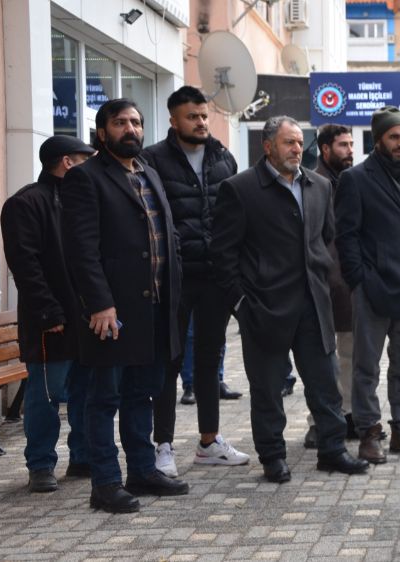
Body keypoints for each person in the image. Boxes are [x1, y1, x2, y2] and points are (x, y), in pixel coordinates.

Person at [211, 115, 369, 482]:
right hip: (264, 308)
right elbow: (223, 255)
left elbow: (324, 237)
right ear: (268, 147)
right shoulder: (240, 188)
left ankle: (332, 451)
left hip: (315, 305)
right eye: (288, 143)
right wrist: (242, 305)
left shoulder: (319, 186)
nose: (297, 149)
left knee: (326, 385)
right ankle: (273, 458)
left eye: (300, 143)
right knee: (267, 390)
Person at [61, 98, 189, 512]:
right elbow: (81, 249)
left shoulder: (149, 172)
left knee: (142, 395)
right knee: (104, 399)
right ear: (102, 132)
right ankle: (105, 484)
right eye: (120, 123)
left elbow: (167, 237)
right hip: (112, 313)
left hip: (152, 309)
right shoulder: (86, 178)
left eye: (136, 122)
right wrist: (99, 304)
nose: (130, 129)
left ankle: (141, 471)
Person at [141, 86, 249, 477]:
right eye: (192, 116)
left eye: (204, 116)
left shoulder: (224, 158)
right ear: (174, 120)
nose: (201, 122)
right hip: (173, 279)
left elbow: (237, 219)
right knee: (167, 361)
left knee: (209, 361)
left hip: (216, 277)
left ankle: (209, 441)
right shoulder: (151, 160)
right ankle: (163, 445)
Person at [335, 106, 400, 464]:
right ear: (378, 139)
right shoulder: (356, 179)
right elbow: (345, 237)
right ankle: (368, 433)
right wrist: (359, 281)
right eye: (394, 137)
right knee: (366, 367)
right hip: (374, 289)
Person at [0, 135, 96, 493]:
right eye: (86, 159)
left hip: (87, 319)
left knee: (86, 393)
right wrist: (48, 311)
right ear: (67, 162)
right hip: (50, 322)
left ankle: (83, 456)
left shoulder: (83, 201)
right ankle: (40, 464)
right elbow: (25, 266)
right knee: (46, 395)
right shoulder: (26, 203)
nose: (93, 166)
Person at [304, 123, 360, 448]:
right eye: (342, 145)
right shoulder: (312, 182)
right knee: (321, 361)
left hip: (348, 284)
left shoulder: (352, 181)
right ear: (325, 149)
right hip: (321, 284)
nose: (350, 150)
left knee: (351, 356)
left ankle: (348, 415)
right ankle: (318, 421)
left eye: (351, 144)